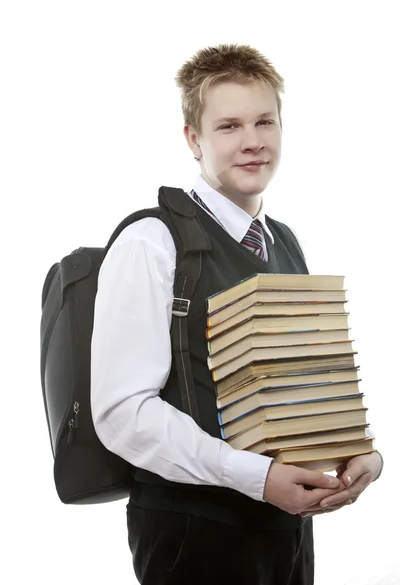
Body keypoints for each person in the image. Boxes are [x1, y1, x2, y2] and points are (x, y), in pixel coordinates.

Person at [90, 43, 383, 585]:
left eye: (264, 121)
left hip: (286, 529)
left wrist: (354, 453)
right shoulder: (152, 241)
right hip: (195, 531)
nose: (252, 142)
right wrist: (255, 475)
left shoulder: (284, 244)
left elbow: (293, 385)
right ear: (193, 139)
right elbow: (122, 414)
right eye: (228, 126)